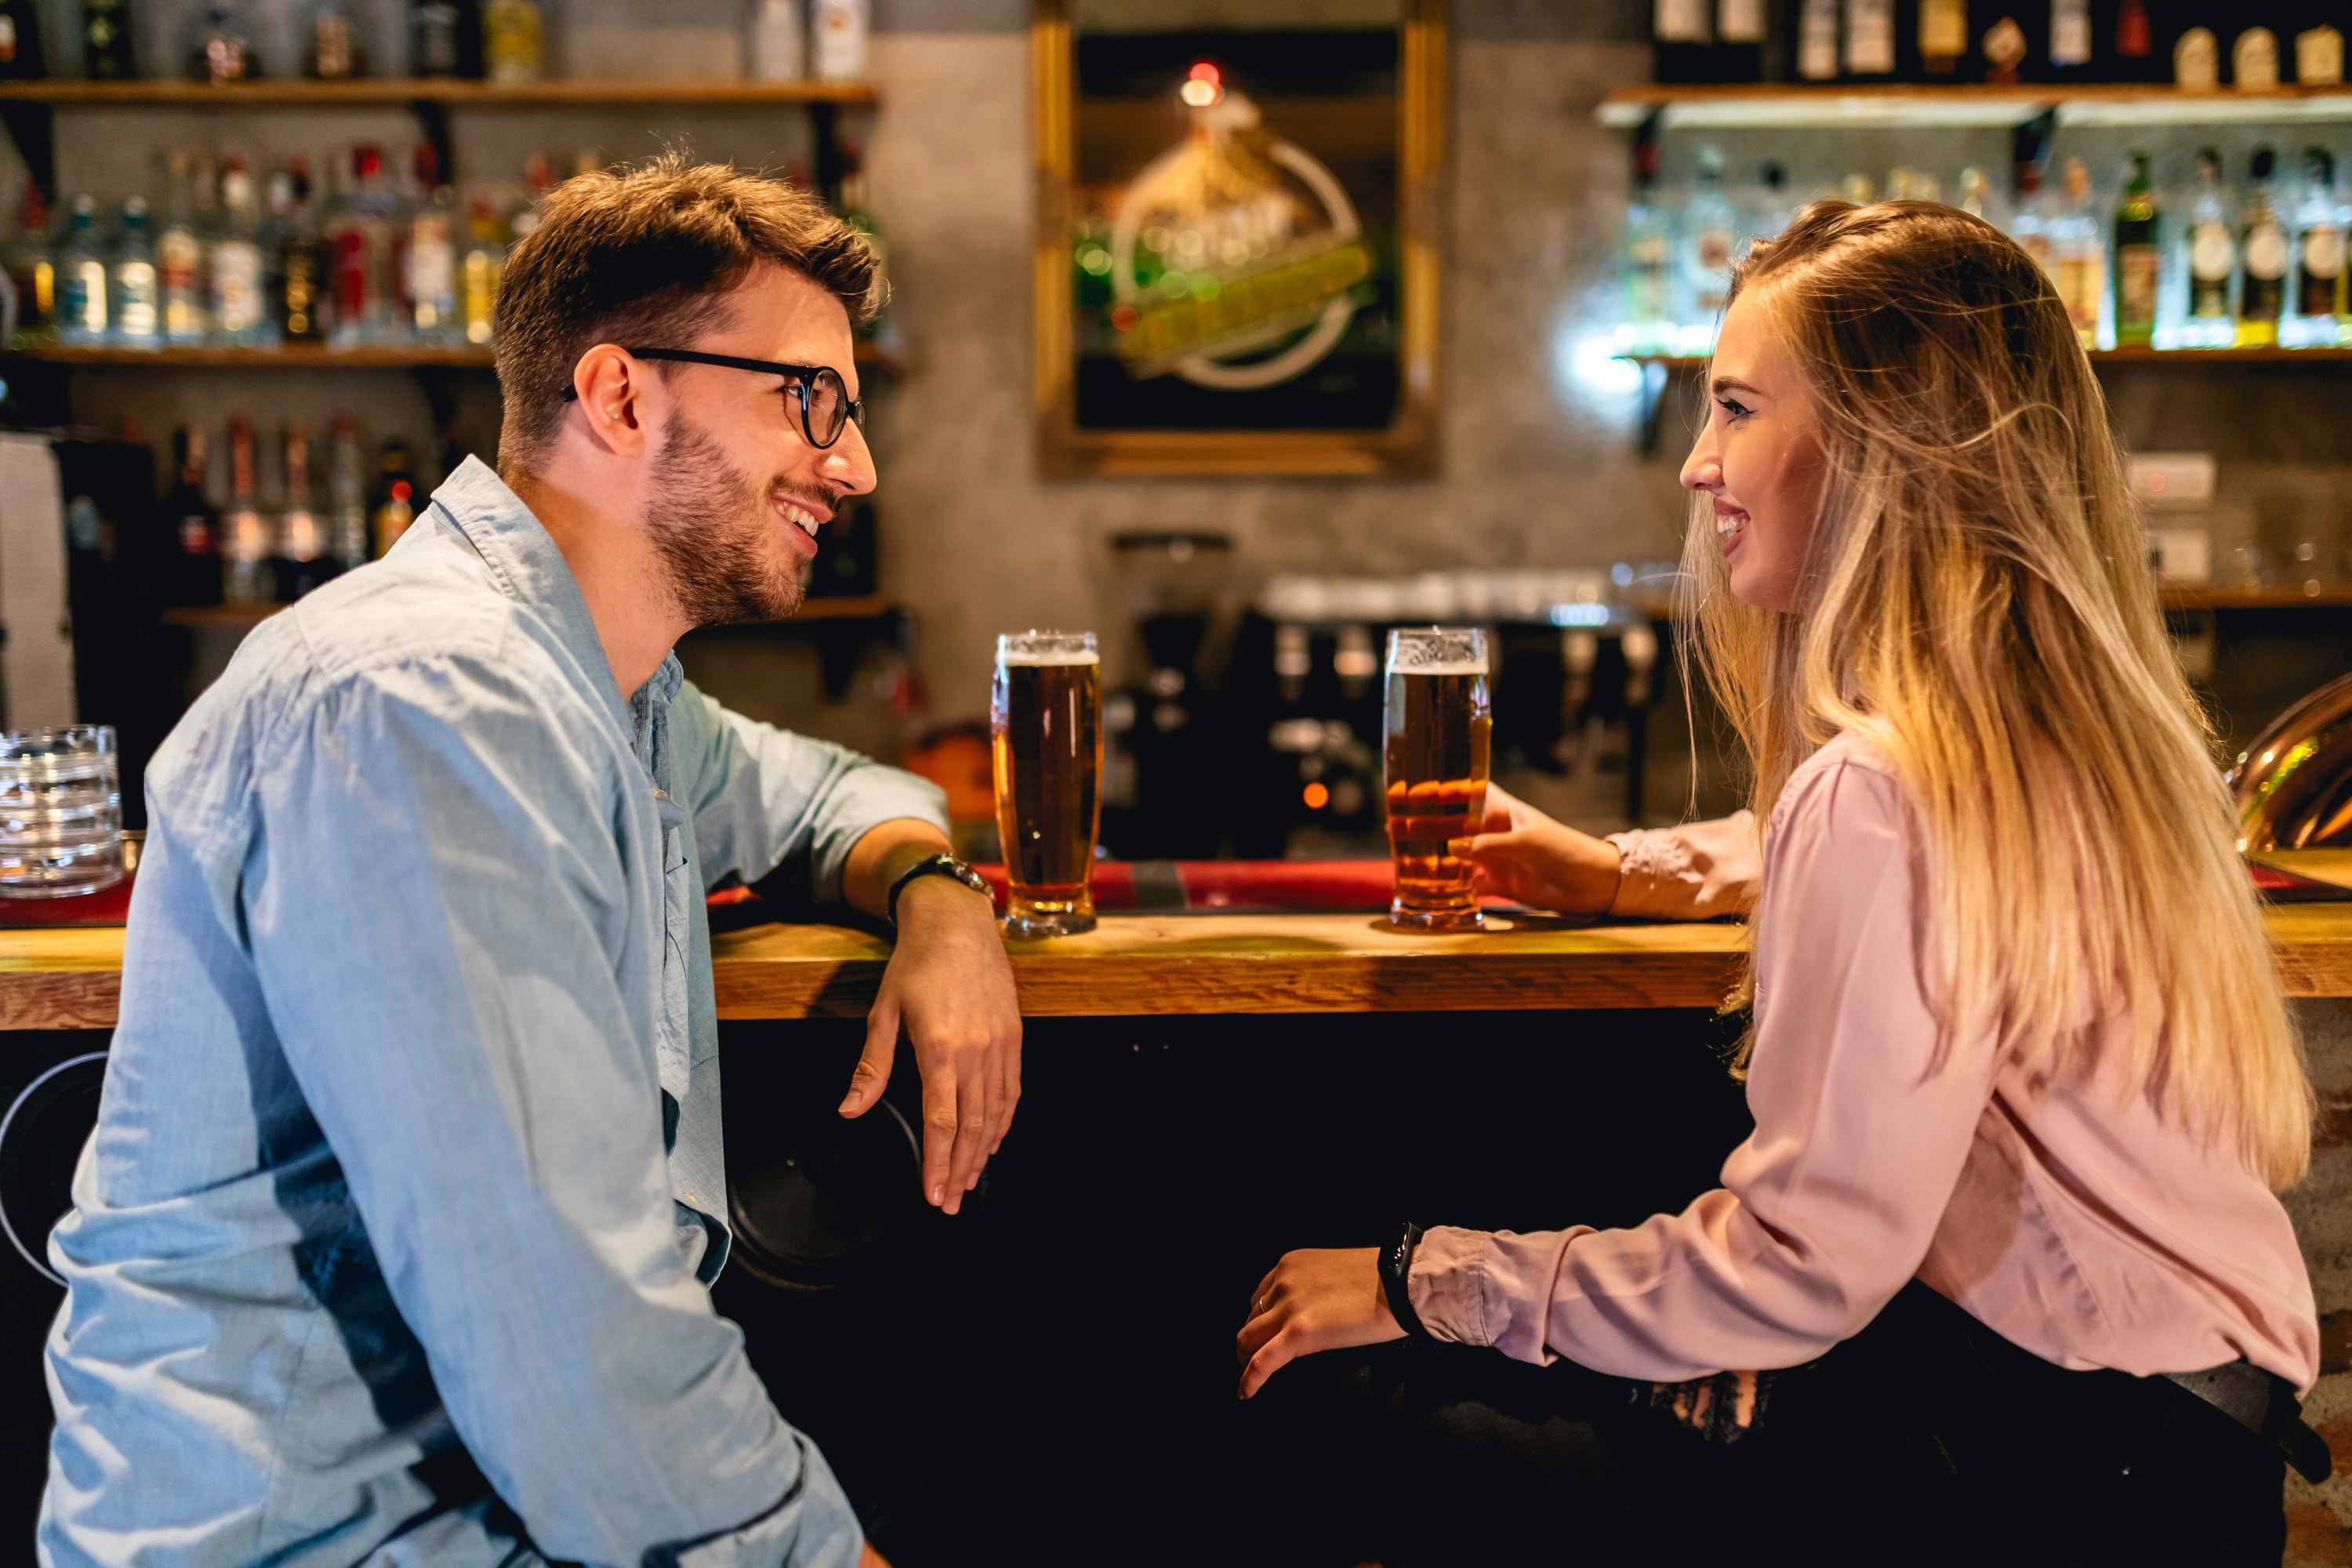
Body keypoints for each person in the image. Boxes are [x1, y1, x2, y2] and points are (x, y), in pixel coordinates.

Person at [1234, 200, 2325, 1565]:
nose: (1699, 466)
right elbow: (1884, 877)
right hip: (2185, 1473)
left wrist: (1423, 1277)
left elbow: (1801, 1271)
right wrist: (1627, 874)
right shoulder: (2076, 745)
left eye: (1737, 407)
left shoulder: (1886, 790)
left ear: (1888, 453)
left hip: (2039, 1476)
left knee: (1355, 1404)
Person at [40, 158, 1019, 1567]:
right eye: (810, 398)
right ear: (620, 395)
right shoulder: (423, 704)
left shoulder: (614, 693)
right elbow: (569, 1339)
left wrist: (939, 901)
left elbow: (827, 792)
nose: (854, 462)